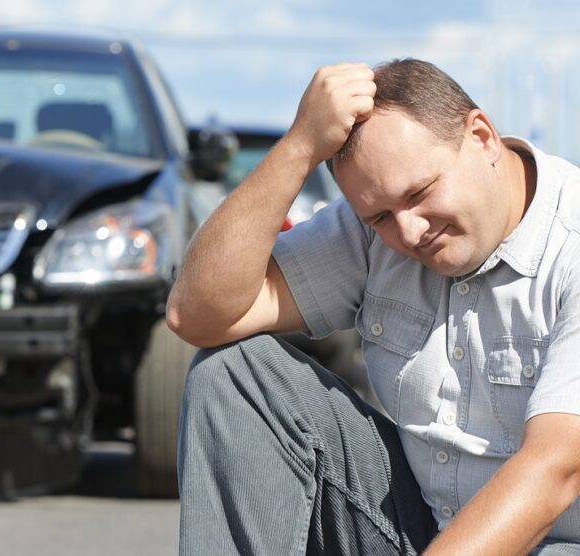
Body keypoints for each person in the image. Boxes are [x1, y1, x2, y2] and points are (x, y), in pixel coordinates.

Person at [167, 58, 580, 555]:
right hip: (422, 527)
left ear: (482, 137)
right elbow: (198, 315)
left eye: (421, 192)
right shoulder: (376, 232)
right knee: (232, 374)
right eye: (382, 215)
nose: (409, 232)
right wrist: (298, 148)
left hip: (557, 538)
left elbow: (558, 468)